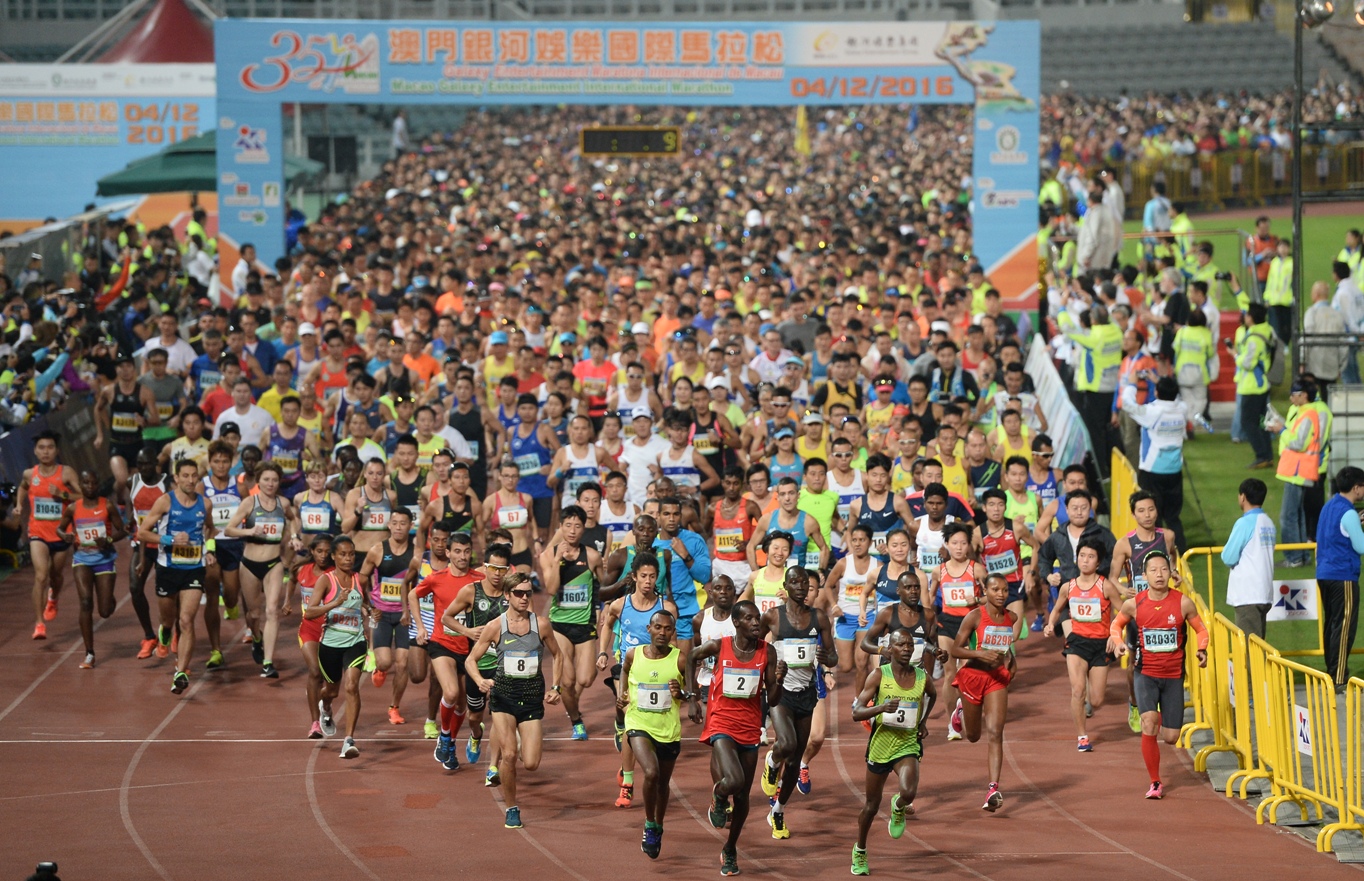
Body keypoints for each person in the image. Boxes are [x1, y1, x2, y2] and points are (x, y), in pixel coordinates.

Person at [688, 600, 785, 877]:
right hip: (721, 722)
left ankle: (730, 849)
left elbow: (774, 699)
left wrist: (779, 679)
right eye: (750, 619)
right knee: (734, 781)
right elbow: (691, 656)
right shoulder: (720, 646)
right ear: (737, 623)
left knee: (742, 797)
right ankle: (719, 796)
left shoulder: (768, 652)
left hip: (750, 726)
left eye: (758, 619)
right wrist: (692, 696)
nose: (757, 623)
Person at [465, 572, 564, 829]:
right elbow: (470, 660)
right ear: (507, 596)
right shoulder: (495, 626)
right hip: (503, 698)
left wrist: (556, 687)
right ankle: (511, 808)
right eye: (518, 593)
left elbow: (559, 655)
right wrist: (479, 681)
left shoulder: (541, 624)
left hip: (531, 699)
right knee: (509, 755)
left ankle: (519, 738)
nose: (523, 597)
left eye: (527, 593)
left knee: (530, 763)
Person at [1108, 551, 1208, 798]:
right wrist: (1118, 642)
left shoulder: (1183, 602)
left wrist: (1203, 649)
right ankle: (1155, 782)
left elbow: (1201, 629)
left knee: (1172, 737)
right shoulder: (1135, 603)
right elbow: (1115, 625)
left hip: (1174, 677)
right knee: (1150, 723)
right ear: (1144, 576)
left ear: (1170, 572)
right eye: (1153, 570)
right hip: (1146, 674)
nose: (1159, 575)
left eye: (1164, 569)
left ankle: (1158, 714)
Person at [850, 627, 937, 876]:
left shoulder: (923, 677)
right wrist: (880, 708)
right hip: (880, 746)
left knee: (908, 792)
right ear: (890, 649)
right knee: (871, 806)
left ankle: (898, 806)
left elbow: (932, 694)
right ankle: (860, 849)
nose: (907, 649)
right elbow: (856, 713)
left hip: (907, 744)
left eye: (910, 645)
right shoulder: (879, 675)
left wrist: (922, 722)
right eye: (901, 645)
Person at [759, 567, 836, 839]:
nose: (801, 587)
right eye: (795, 582)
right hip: (781, 693)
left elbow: (833, 658)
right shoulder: (773, 617)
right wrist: (770, 670)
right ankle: (771, 760)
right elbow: (754, 646)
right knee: (787, 744)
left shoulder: (819, 618)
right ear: (786, 585)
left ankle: (778, 811)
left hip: (807, 692)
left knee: (794, 763)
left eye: (805, 583)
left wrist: (826, 657)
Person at [137, 459, 216, 695]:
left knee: (186, 620)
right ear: (176, 478)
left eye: (195, 476)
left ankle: (180, 671)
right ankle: (164, 631)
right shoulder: (165, 501)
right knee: (168, 620)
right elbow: (142, 532)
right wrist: (170, 540)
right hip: (168, 568)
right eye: (186, 476)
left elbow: (210, 529)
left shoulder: (205, 504)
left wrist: (209, 549)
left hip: (194, 568)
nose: (191, 480)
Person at [618, 605, 688, 859]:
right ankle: (649, 824)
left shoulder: (680, 659)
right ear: (649, 629)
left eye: (667, 629)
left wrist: (681, 694)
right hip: (639, 723)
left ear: (672, 632)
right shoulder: (633, 654)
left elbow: (691, 695)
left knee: (662, 783)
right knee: (651, 772)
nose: (662, 632)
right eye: (657, 627)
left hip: (668, 730)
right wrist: (622, 695)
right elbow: (624, 671)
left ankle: (658, 824)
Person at [1044, 537, 1124, 752]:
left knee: (1096, 700)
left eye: (1091, 557)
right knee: (1077, 690)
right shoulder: (1068, 587)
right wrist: (1050, 624)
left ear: (1098, 563)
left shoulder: (1105, 586)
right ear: (1076, 558)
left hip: (1100, 645)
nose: (1085, 561)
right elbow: (1057, 608)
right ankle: (1082, 736)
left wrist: (1114, 636)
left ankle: (1089, 698)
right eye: (1082, 556)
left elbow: (1124, 613)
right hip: (1077, 643)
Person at [948, 572, 1017, 812]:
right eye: (996, 590)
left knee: (995, 732)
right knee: (974, 735)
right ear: (985, 592)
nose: (1001, 594)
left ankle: (993, 788)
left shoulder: (1012, 617)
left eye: (1005, 590)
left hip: (996, 679)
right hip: (973, 677)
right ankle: (960, 711)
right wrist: (979, 654)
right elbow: (955, 650)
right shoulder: (974, 617)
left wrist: (1011, 660)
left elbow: (1006, 645)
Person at [223, 463, 294, 678]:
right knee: (253, 614)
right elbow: (228, 529)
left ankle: (268, 663)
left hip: (274, 563)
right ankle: (256, 637)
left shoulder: (283, 503)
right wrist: (249, 530)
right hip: (250, 564)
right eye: (266, 480)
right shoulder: (249, 503)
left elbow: (292, 519)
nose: (270, 484)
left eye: (274, 480)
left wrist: (295, 538)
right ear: (258, 482)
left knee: (272, 611)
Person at [541, 504, 604, 740]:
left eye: (578, 526)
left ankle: (572, 704)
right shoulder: (549, 555)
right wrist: (558, 560)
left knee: (586, 678)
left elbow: (602, 585)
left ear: (583, 528)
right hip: (559, 626)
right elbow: (550, 589)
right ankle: (576, 721)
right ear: (561, 527)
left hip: (584, 624)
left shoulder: (592, 556)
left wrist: (603, 611)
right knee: (567, 681)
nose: (573, 530)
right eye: (568, 525)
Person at [302, 535, 368, 758]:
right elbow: (309, 612)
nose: (348, 559)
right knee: (331, 690)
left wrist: (369, 610)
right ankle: (326, 707)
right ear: (334, 556)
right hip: (330, 644)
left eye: (351, 554)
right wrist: (335, 603)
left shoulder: (360, 579)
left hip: (355, 641)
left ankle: (349, 740)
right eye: (343, 554)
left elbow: (363, 602)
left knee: (351, 686)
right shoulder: (326, 581)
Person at [57, 470, 127, 669]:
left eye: (93, 483)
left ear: (98, 485)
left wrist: (109, 540)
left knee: (104, 611)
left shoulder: (108, 505)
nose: (89, 486)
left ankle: (109, 599)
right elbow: (59, 528)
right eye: (85, 483)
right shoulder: (72, 508)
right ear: (80, 484)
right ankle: (89, 652)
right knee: (86, 602)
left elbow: (122, 530)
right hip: (82, 560)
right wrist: (65, 536)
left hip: (104, 559)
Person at [358, 507, 421, 724]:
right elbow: (362, 578)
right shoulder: (377, 550)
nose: (398, 527)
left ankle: (394, 707)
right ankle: (380, 668)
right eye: (395, 523)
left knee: (402, 663)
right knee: (386, 662)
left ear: (410, 526)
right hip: (381, 614)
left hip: (405, 616)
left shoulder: (416, 554)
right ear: (389, 525)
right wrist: (366, 604)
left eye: (403, 523)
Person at [17, 431, 80, 640]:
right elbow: (23, 487)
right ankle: (39, 623)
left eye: (50, 447)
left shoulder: (66, 472)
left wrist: (62, 494)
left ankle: (54, 597)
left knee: (56, 576)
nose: (46, 451)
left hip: (61, 533)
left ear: (57, 450)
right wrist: (18, 505)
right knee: (41, 575)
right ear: (35, 451)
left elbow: (82, 495)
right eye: (41, 448)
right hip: (37, 533)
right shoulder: (29, 473)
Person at [1120, 376, 1189, 550]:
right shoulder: (1182, 409)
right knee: (1173, 515)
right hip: (1174, 469)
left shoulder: (1152, 412)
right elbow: (1175, 397)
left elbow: (1127, 404)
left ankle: (1156, 548)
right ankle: (1180, 549)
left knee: (1153, 513)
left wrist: (1132, 384)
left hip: (1152, 470)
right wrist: (1157, 379)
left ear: (1156, 392)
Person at [930, 521, 984, 741]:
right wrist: (928, 619)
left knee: (966, 675)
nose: (959, 547)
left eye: (963, 543)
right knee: (949, 674)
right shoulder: (938, 571)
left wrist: (979, 598)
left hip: (970, 625)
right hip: (947, 624)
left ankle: (965, 712)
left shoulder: (977, 569)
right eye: (955, 543)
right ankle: (952, 723)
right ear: (947, 544)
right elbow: (929, 596)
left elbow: (994, 595)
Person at [1315, 466, 1364, 692]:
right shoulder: (1349, 513)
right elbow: (1360, 546)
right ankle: (1339, 678)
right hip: (1343, 574)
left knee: (1332, 625)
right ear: (1356, 488)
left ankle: (1331, 673)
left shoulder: (1329, 506)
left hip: (1324, 574)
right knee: (1344, 628)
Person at [1221, 478, 1276, 640]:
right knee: (1258, 644)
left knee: (1249, 650)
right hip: (1263, 592)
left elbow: (1228, 557)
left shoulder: (1245, 523)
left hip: (1248, 594)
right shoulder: (1268, 522)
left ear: (1242, 497)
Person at [295, 535, 332, 738]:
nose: (323, 556)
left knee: (329, 680)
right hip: (308, 628)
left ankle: (325, 705)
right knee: (315, 672)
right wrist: (285, 602)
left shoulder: (335, 574)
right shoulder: (303, 570)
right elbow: (292, 580)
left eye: (327, 552)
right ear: (312, 552)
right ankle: (315, 723)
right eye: (319, 551)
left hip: (332, 630)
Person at [1232, 303, 1275, 469]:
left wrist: (1236, 355)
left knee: (1248, 422)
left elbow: (1248, 363)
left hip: (1252, 385)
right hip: (1262, 383)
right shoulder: (1267, 330)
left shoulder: (1254, 338)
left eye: (1247, 314)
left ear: (1251, 317)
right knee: (1261, 421)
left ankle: (1262, 455)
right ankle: (1267, 456)